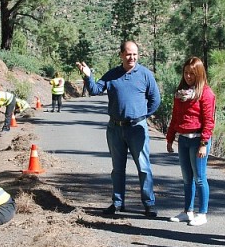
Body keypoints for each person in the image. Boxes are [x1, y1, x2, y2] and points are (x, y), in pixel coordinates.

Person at [76, 41, 162, 218]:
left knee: (144, 168)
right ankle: (117, 203)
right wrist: (88, 75)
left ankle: (149, 204)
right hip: (115, 128)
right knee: (117, 169)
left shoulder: (145, 75)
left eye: (135, 54)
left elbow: (155, 100)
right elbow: (94, 90)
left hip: (137, 128)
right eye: (128, 54)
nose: (132, 57)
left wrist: (142, 116)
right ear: (121, 55)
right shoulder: (113, 75)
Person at [165, 57, 216, 226]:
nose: (188, 76)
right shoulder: (181, 93)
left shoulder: (206, 94)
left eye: (192, 74)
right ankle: (188, 211)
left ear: (199, 74)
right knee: (187, 178)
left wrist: (203, 143)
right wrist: (170, 138)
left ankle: (202, 213)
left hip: (198, 140)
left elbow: (209, 121)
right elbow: (175, 117)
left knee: (199, 178)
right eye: (186, 73)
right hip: (184, 140)